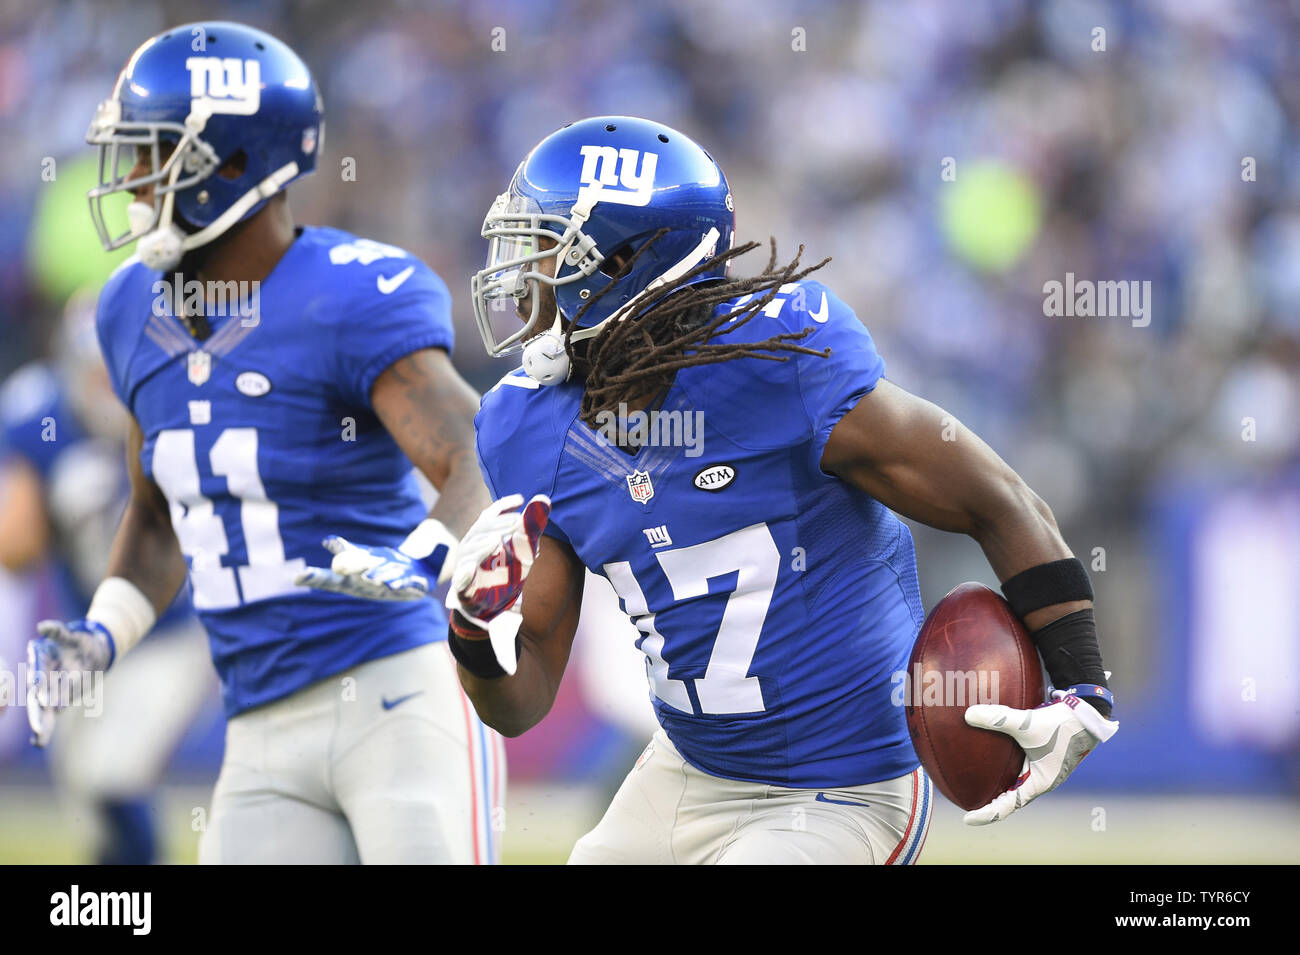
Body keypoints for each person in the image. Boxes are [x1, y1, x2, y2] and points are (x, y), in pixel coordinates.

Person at [436, 115, 1119, 864]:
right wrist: (473, 634)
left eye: (549, 252)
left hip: (845, 786)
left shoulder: (782, 363)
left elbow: (999, 499)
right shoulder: (525, 423)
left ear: (625, 264)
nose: (524, 277)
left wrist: (1083, 688)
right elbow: (523, 700)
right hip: (690, 770)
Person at [23, 21, 502, 864]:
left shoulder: (351, 296)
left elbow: (478, 458)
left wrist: (425, 555)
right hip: (260, 724)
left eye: (153, 155)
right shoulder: (130, 308)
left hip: (398, 694)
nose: (132, 182)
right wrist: (100, 632)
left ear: (233, 166)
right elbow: (159, 515)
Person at [0, 292, 215, 864]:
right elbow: (16, 547)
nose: (108, 388)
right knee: (88, 800)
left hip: (171, 631)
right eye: (98, 373)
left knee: (113, 777)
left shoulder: (176, 408)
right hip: (86, 639)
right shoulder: (40, 414)